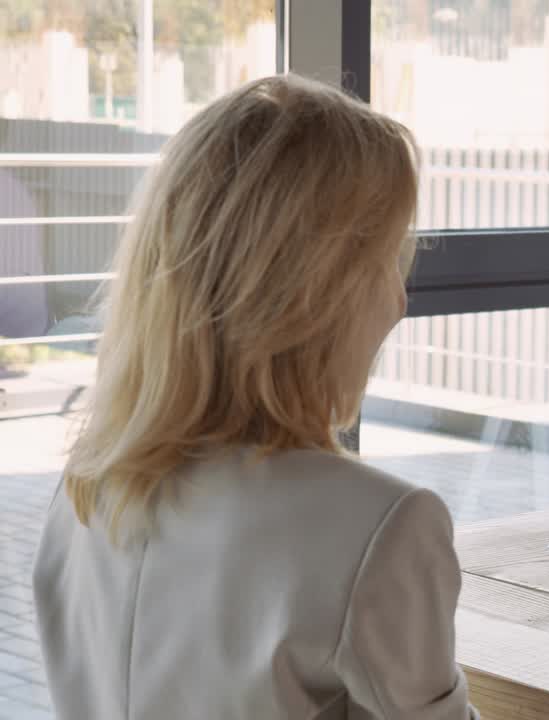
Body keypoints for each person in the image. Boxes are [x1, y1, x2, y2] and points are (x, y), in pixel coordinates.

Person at [32, 75, 476, 719]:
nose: (399, 300)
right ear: (314, 296)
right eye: (385, 262)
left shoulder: (85, 486)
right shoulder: (383, 525)